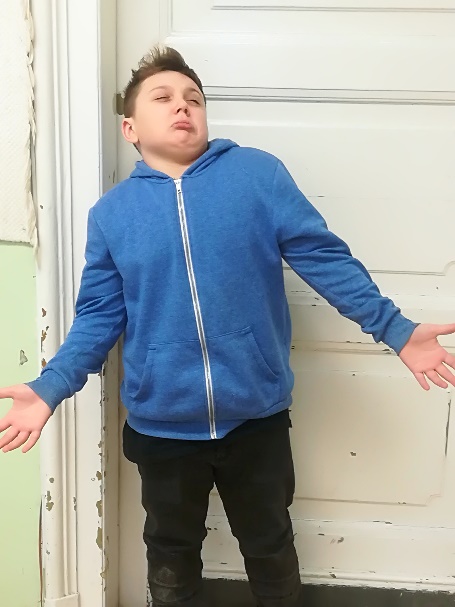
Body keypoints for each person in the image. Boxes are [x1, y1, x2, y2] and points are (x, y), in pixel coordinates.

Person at [1, 46, 454, 607]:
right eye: (163, 98)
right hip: (162, 427)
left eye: (193, 98)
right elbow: (99, 314)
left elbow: (323, 258)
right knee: (170, 553)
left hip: (255, 418)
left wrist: (396, 329)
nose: (183, 106)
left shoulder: (256, 176)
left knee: (270, 544)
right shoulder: (112, 214)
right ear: (130, 128)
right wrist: (51, 386)